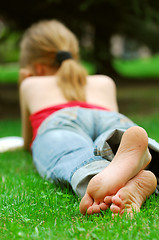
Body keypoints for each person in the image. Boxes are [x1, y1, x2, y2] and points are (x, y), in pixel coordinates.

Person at [19, 19, 159, 217]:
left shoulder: (32, 83)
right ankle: (144, 160)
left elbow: (28, 141)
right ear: (74, 55)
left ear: (38, 68)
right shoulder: (104, 81)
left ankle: (100, 175)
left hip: (59, 119)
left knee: (71, 152)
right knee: (117, 140)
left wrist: (24, 80)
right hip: (109, 117)